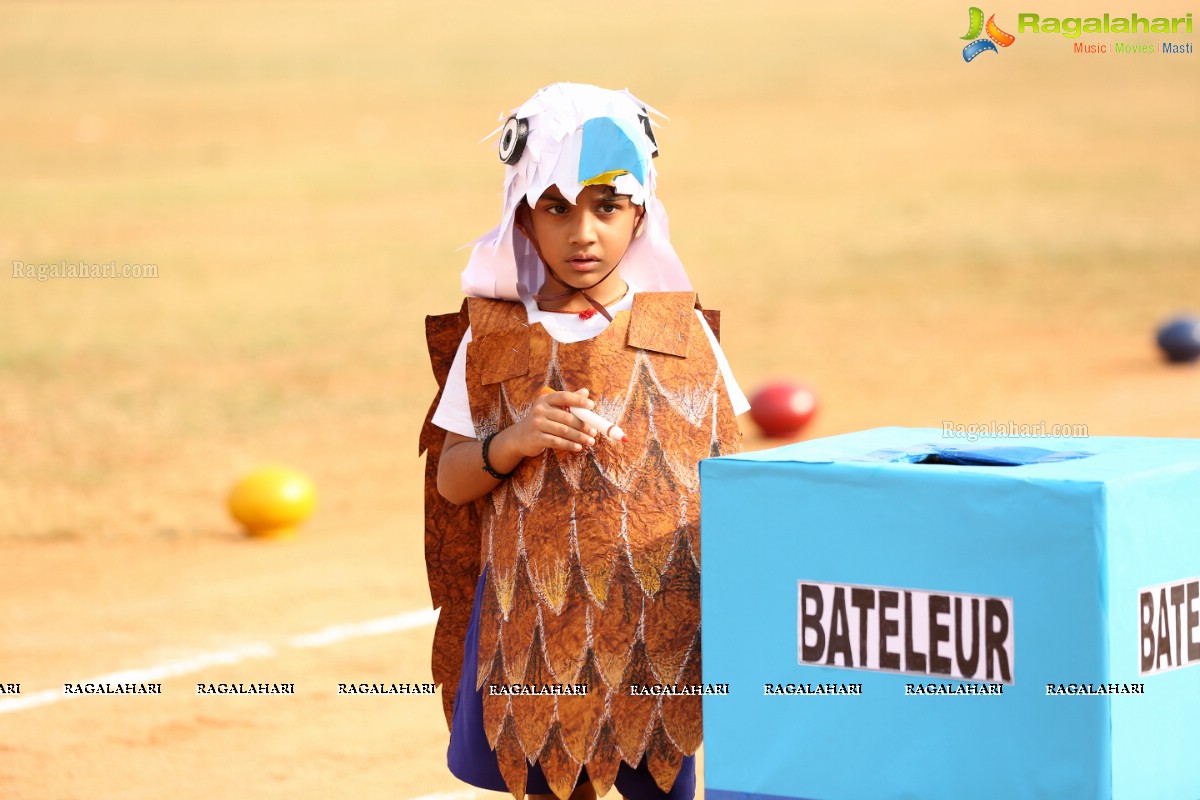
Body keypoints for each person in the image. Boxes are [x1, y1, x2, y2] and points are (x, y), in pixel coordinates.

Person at [419, 82, 749, 800]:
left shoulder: (681, 333)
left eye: (607, 207)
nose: (583, 234)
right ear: (524, 218)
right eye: (556, 208)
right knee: (546, 778)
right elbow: (450, 479)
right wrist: (513, 441)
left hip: (658, 626)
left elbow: (732, 476)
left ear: (640, 214)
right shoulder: (495, 338)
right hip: (535, 619)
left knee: (660, 783)